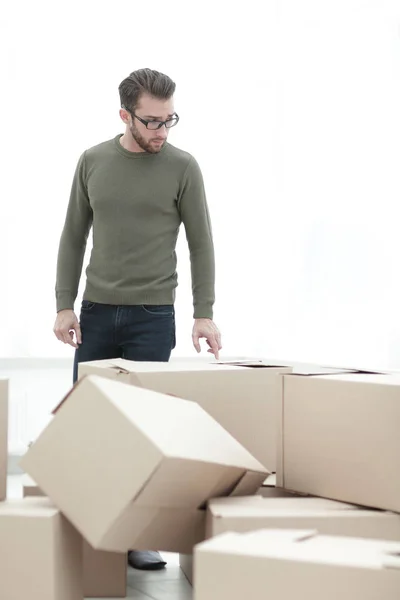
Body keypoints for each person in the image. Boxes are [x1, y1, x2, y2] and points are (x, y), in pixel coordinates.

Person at [53, 68, 222, 570]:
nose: (161, 132)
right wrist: (64, 303)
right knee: (91, 423)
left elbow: (201, 243)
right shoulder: (93, 161)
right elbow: (71, 236)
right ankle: (83, 528)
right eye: (151, 122)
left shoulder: (183, 167)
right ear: (124, 115)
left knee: (144, 430)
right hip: (97, 312)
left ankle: (135, 536)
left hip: (153, 314)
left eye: (169, 120)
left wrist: (204, 314)